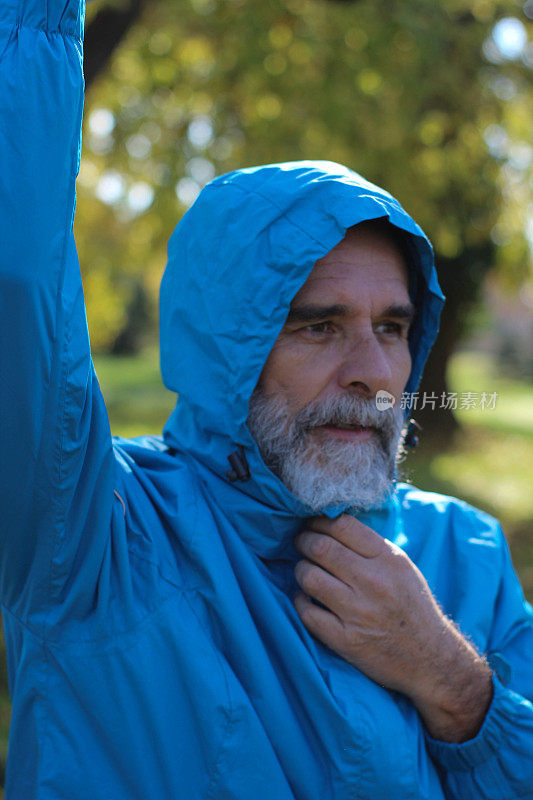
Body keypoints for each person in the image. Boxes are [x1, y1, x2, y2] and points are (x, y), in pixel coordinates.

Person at [1, 1, 532, 798]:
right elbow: (18, 283)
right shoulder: (100, 540)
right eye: (318, 327)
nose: (371, 372)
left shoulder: (466, 555)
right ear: (226, 349)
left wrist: (454, 683)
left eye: (392, 327)